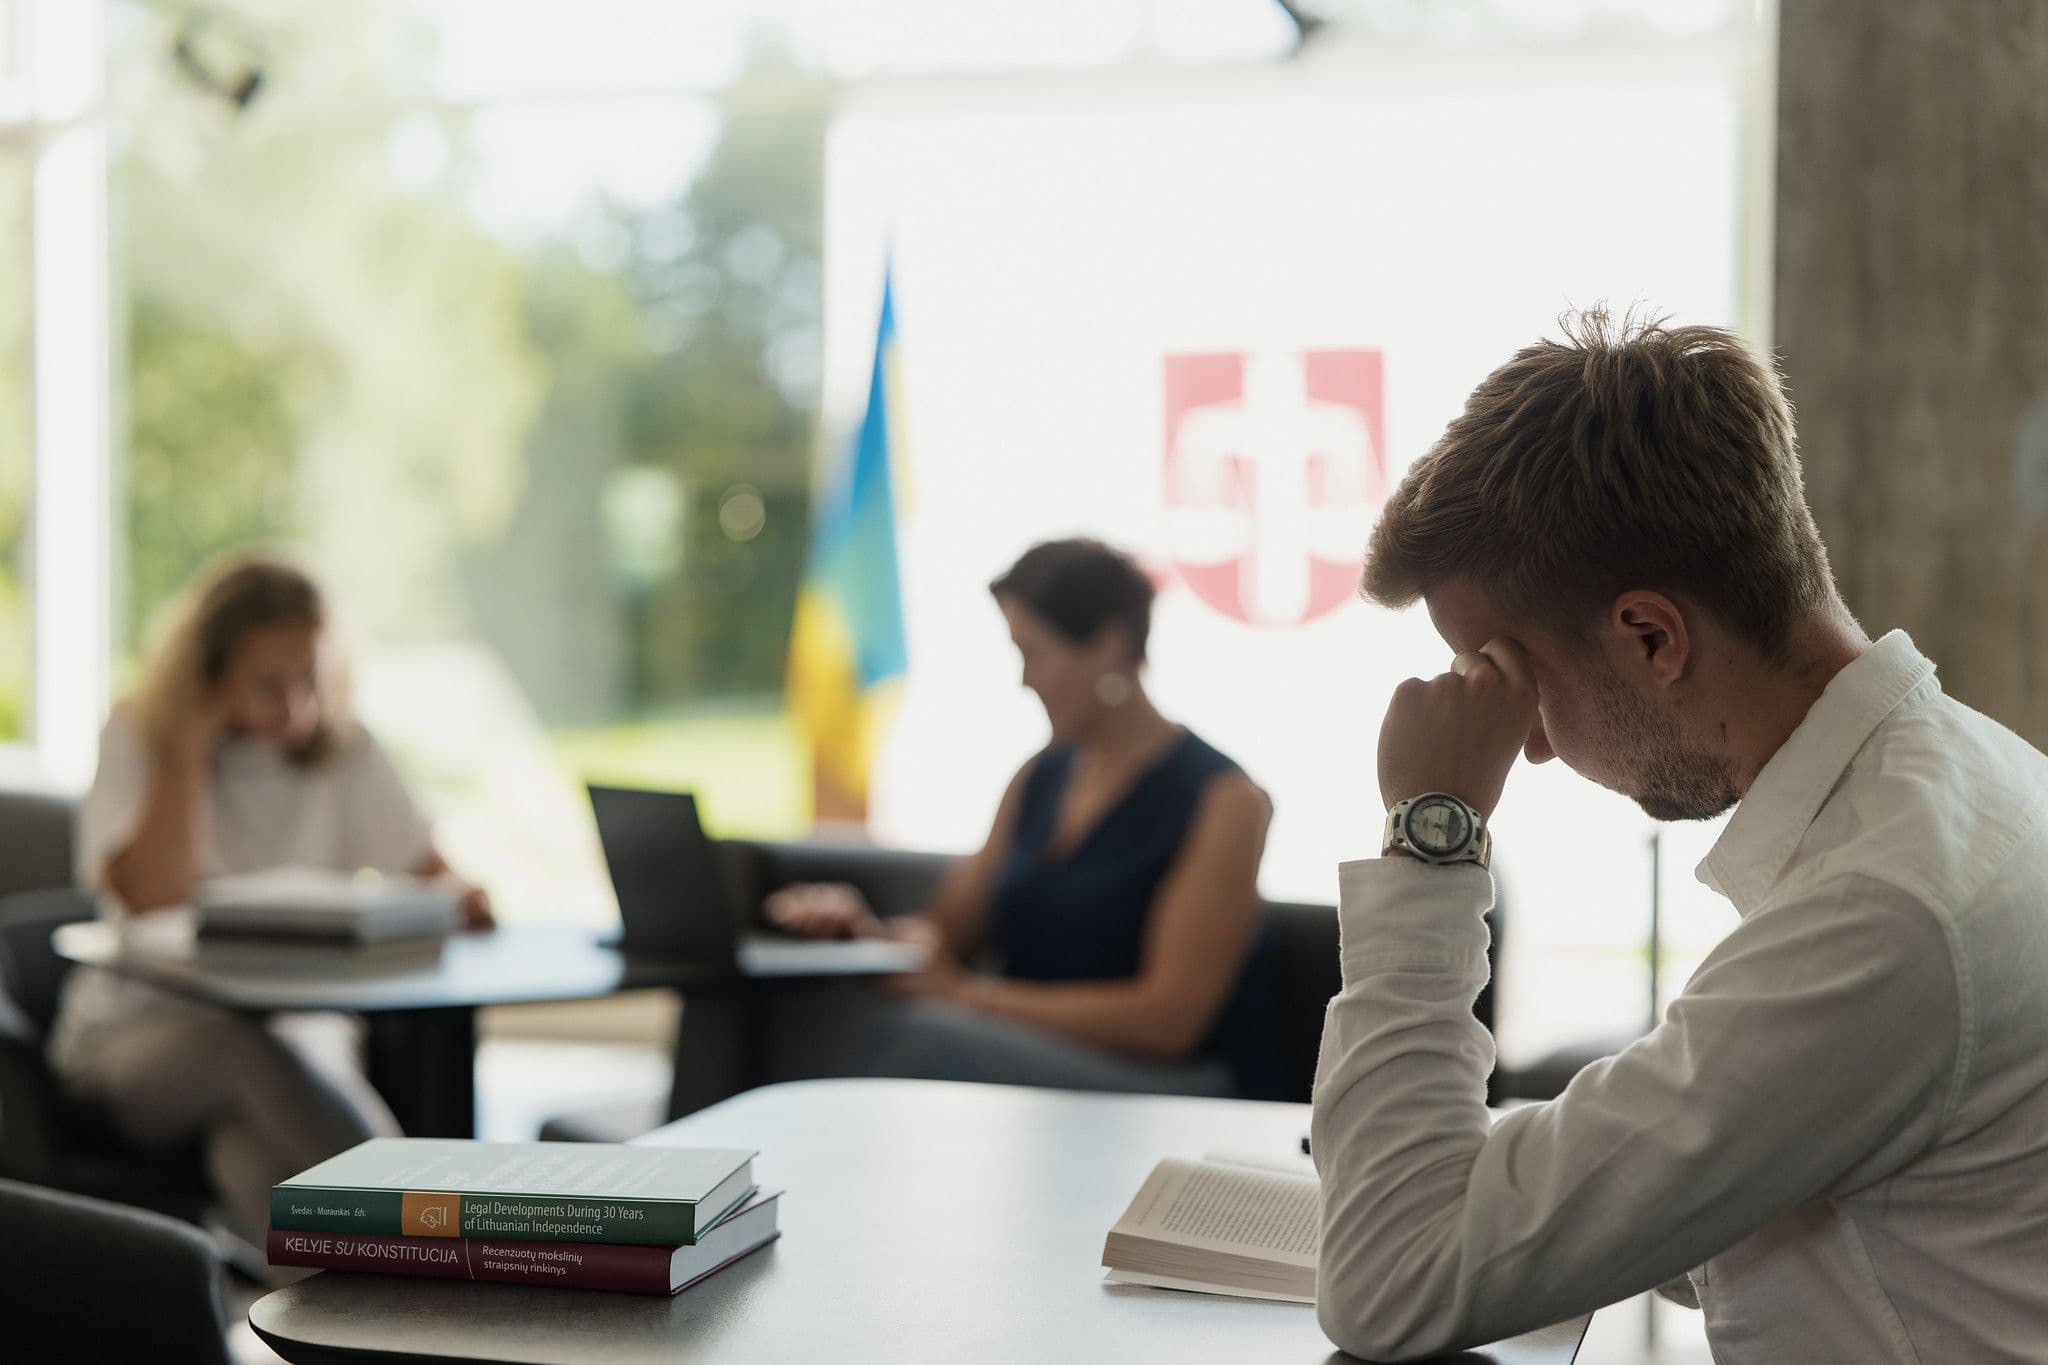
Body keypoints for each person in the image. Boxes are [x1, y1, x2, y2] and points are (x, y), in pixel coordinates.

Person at [1310, 310, 2048, 1362]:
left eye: (1510, 681)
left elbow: (1393, 1281)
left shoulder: (1883, 911)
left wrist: (1434, 830)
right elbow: (1746, 1162)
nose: (1528, 748)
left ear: (1651, 635)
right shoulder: (1962, 783)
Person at [46, 554, 491, 1250]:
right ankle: (446, 1241)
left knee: (250, 1152)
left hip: (303, 1036)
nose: (295, 707)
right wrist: (186, 750)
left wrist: (453, 900)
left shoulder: (348, 751)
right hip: (138, 1043)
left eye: (310, 680)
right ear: (210, 674)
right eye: (269, 683)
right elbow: (153, 897)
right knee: (248, 1051)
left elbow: (437, 878)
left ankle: (366, 1315)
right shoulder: (138, 735)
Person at [765, 537, 1279, 1097]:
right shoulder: (1039, 778)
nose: (1024, 679)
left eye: (1034, 653)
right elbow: (950, 935)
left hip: (1172, 1084)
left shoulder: (1225, 801)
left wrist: (966, 997)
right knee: (832, 1010)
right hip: (1039, 1061)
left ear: (1110, 646)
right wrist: (862, 934)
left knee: (920, 1042)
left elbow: (1168, 1022)